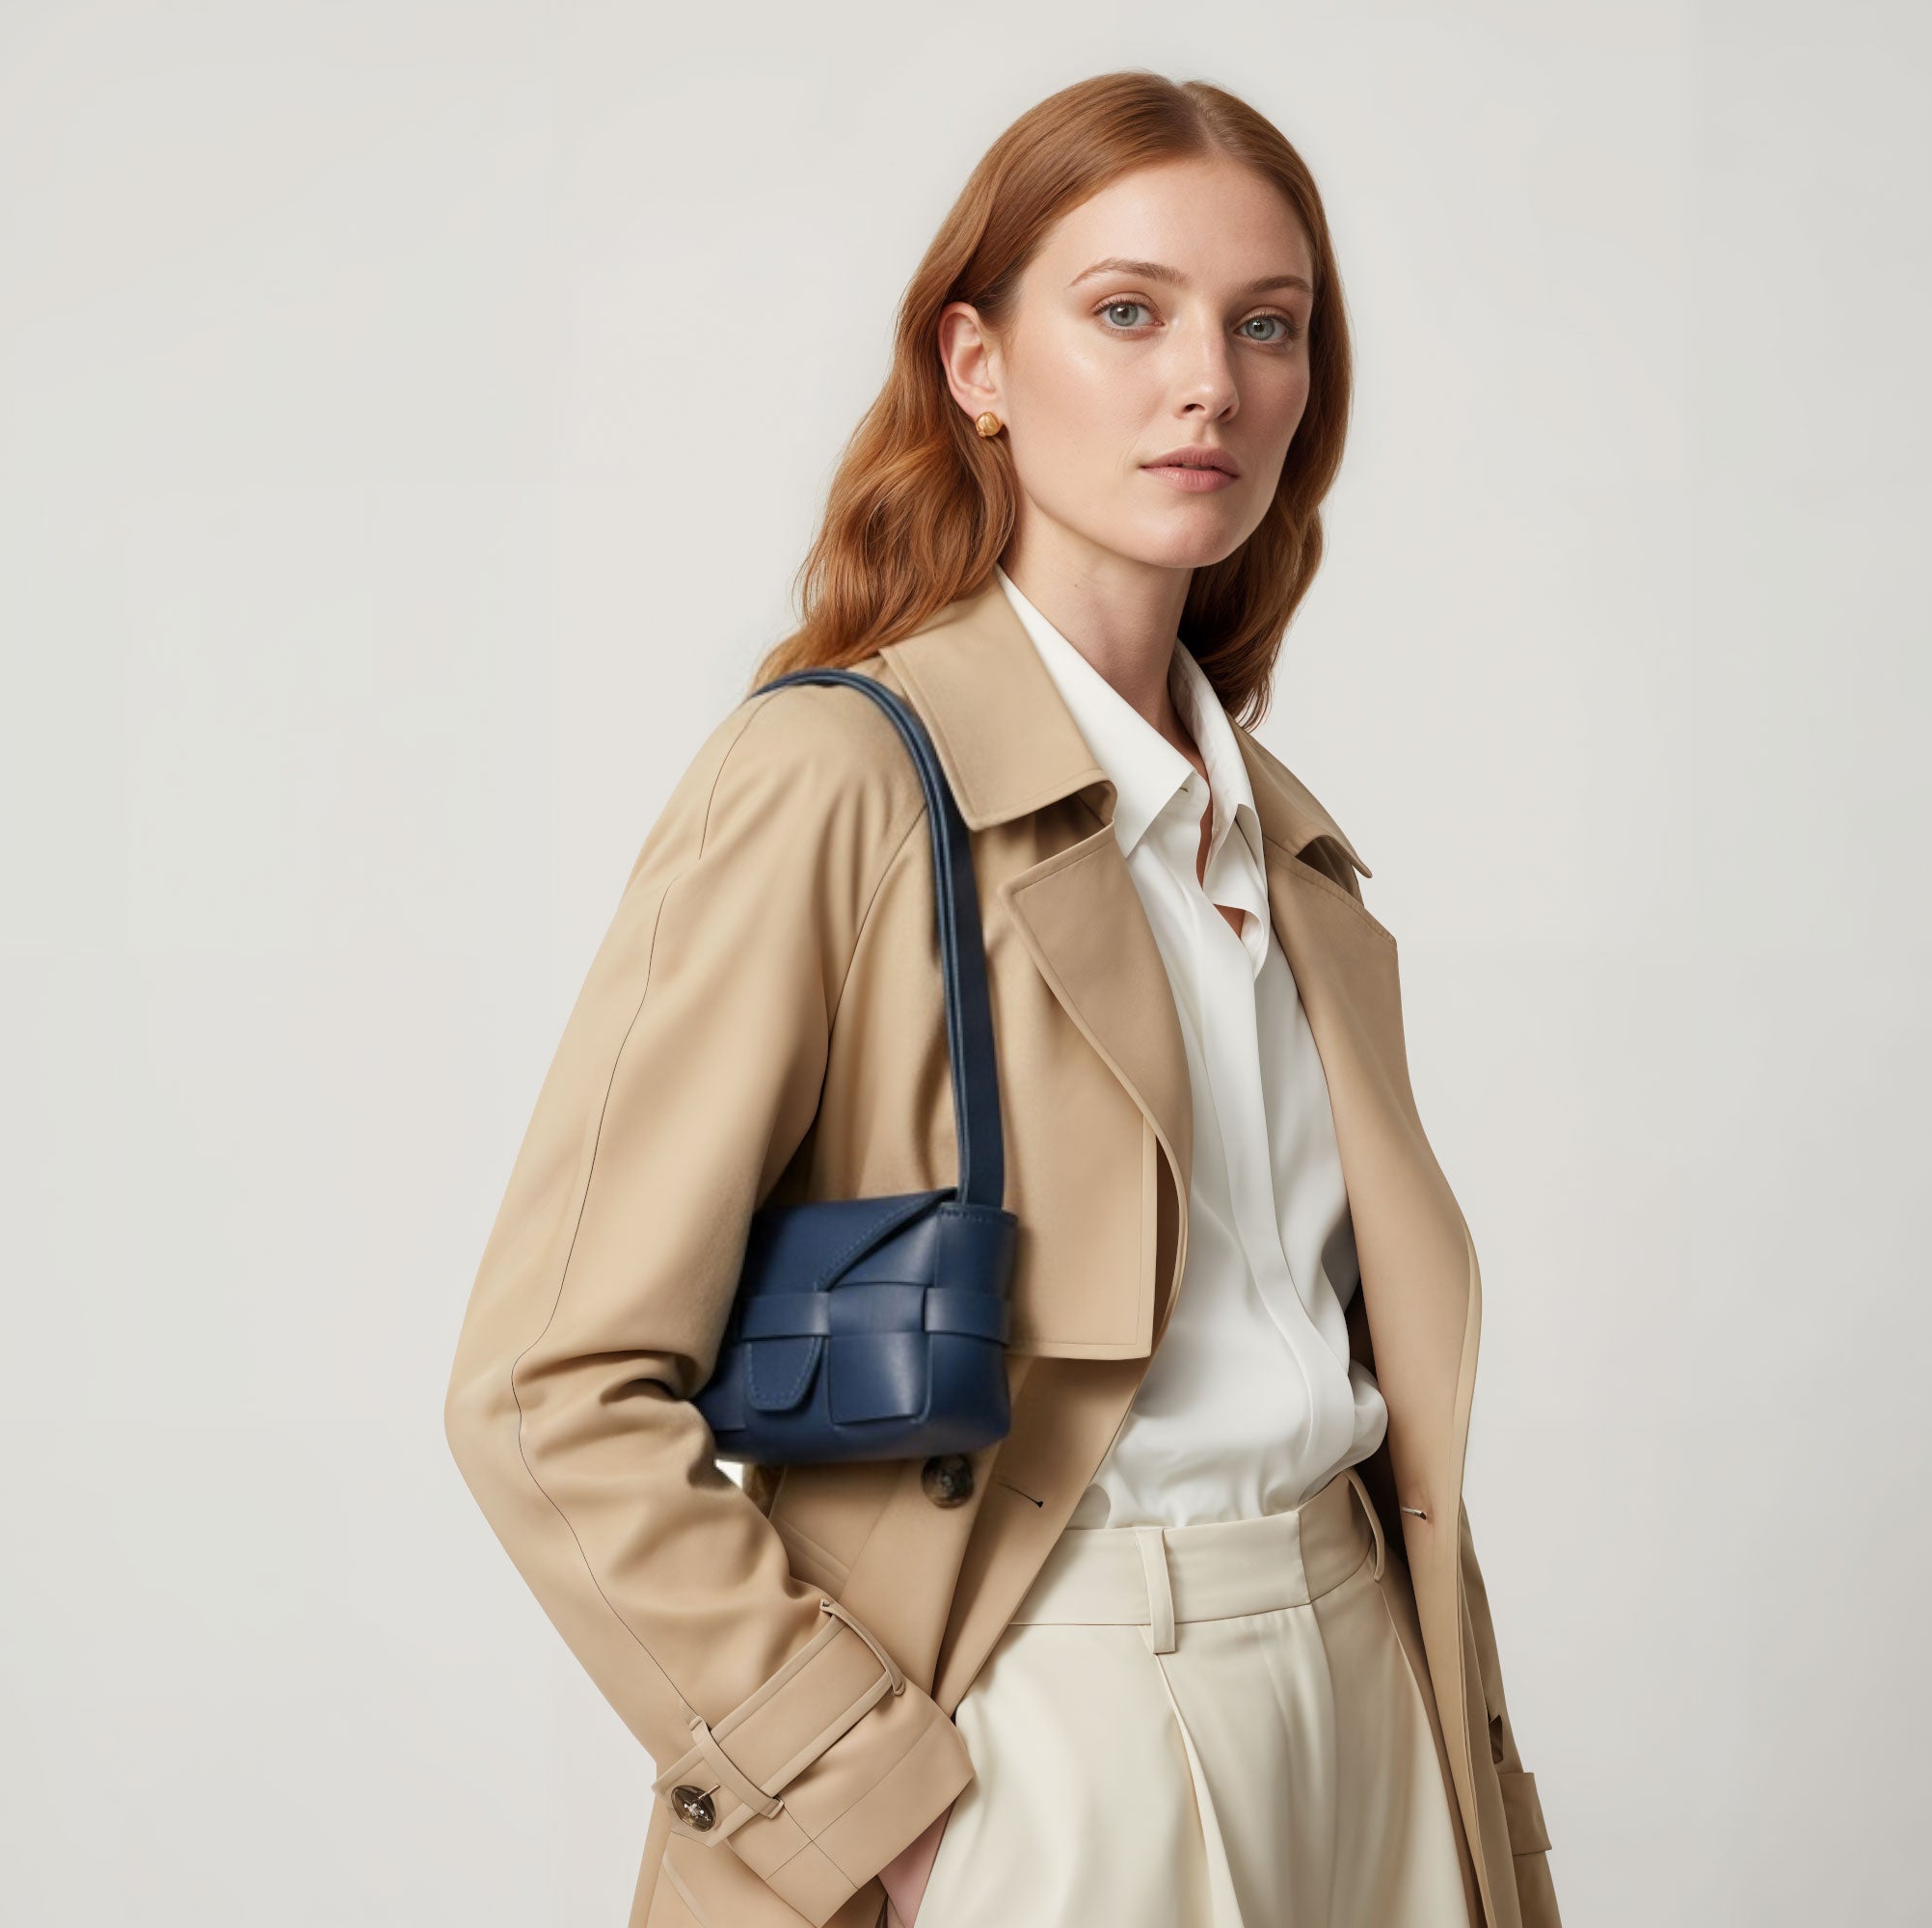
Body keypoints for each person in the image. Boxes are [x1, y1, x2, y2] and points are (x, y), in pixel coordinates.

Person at [443, 70, 1563, 1928]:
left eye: (1263, 326)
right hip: (1054, 1717)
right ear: (977, 362)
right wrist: (856, 1790)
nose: (1208, 379)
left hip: (1368, 1686)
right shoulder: (839, 781)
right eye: (1127, 311)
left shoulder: (1283, 852)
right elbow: (549, 1386)